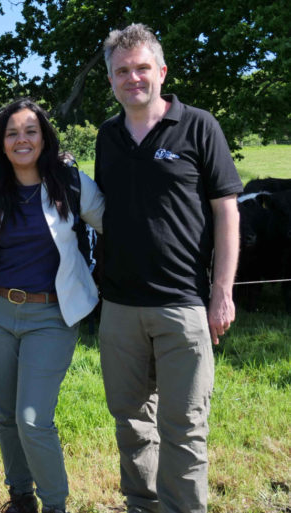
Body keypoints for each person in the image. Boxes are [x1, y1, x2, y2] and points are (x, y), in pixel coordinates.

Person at [95, 24, 242, 513]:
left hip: (183, 303)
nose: (132, 78)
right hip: (119, 306)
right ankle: (142, 504)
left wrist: (222, 290)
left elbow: (226, 211)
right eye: (122, 71)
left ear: (160, 71)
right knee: (131, 422)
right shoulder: (107, 136)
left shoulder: (199, 125)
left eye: (141, 68)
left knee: (184, 427)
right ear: (112, 79)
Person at [0, 98, 104, 513]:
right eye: (12, 133)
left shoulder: (72, 183)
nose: (21, 139)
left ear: (44, 137)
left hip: (52, 315)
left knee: (32, 418)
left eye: (30, 131)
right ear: (1, 143)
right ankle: (20, 497)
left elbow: (113, 224)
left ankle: (55, 505)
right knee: (6, 415)